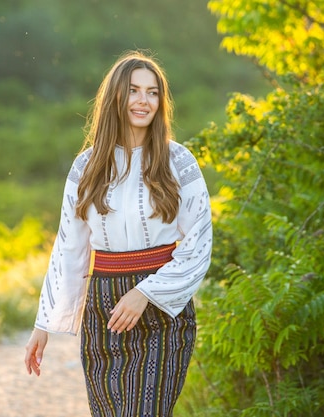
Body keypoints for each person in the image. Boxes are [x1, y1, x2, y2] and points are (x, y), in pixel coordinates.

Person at [24, 49, 212, 417]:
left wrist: (146, 293)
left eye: (153, 91)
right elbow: (69, 249)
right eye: (134, 90)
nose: (144, 100)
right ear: (116, 97)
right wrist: (43, 324)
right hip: (104, 310)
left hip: (161, 311)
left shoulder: (179, 161)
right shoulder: (87, 166)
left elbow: (199, 244)